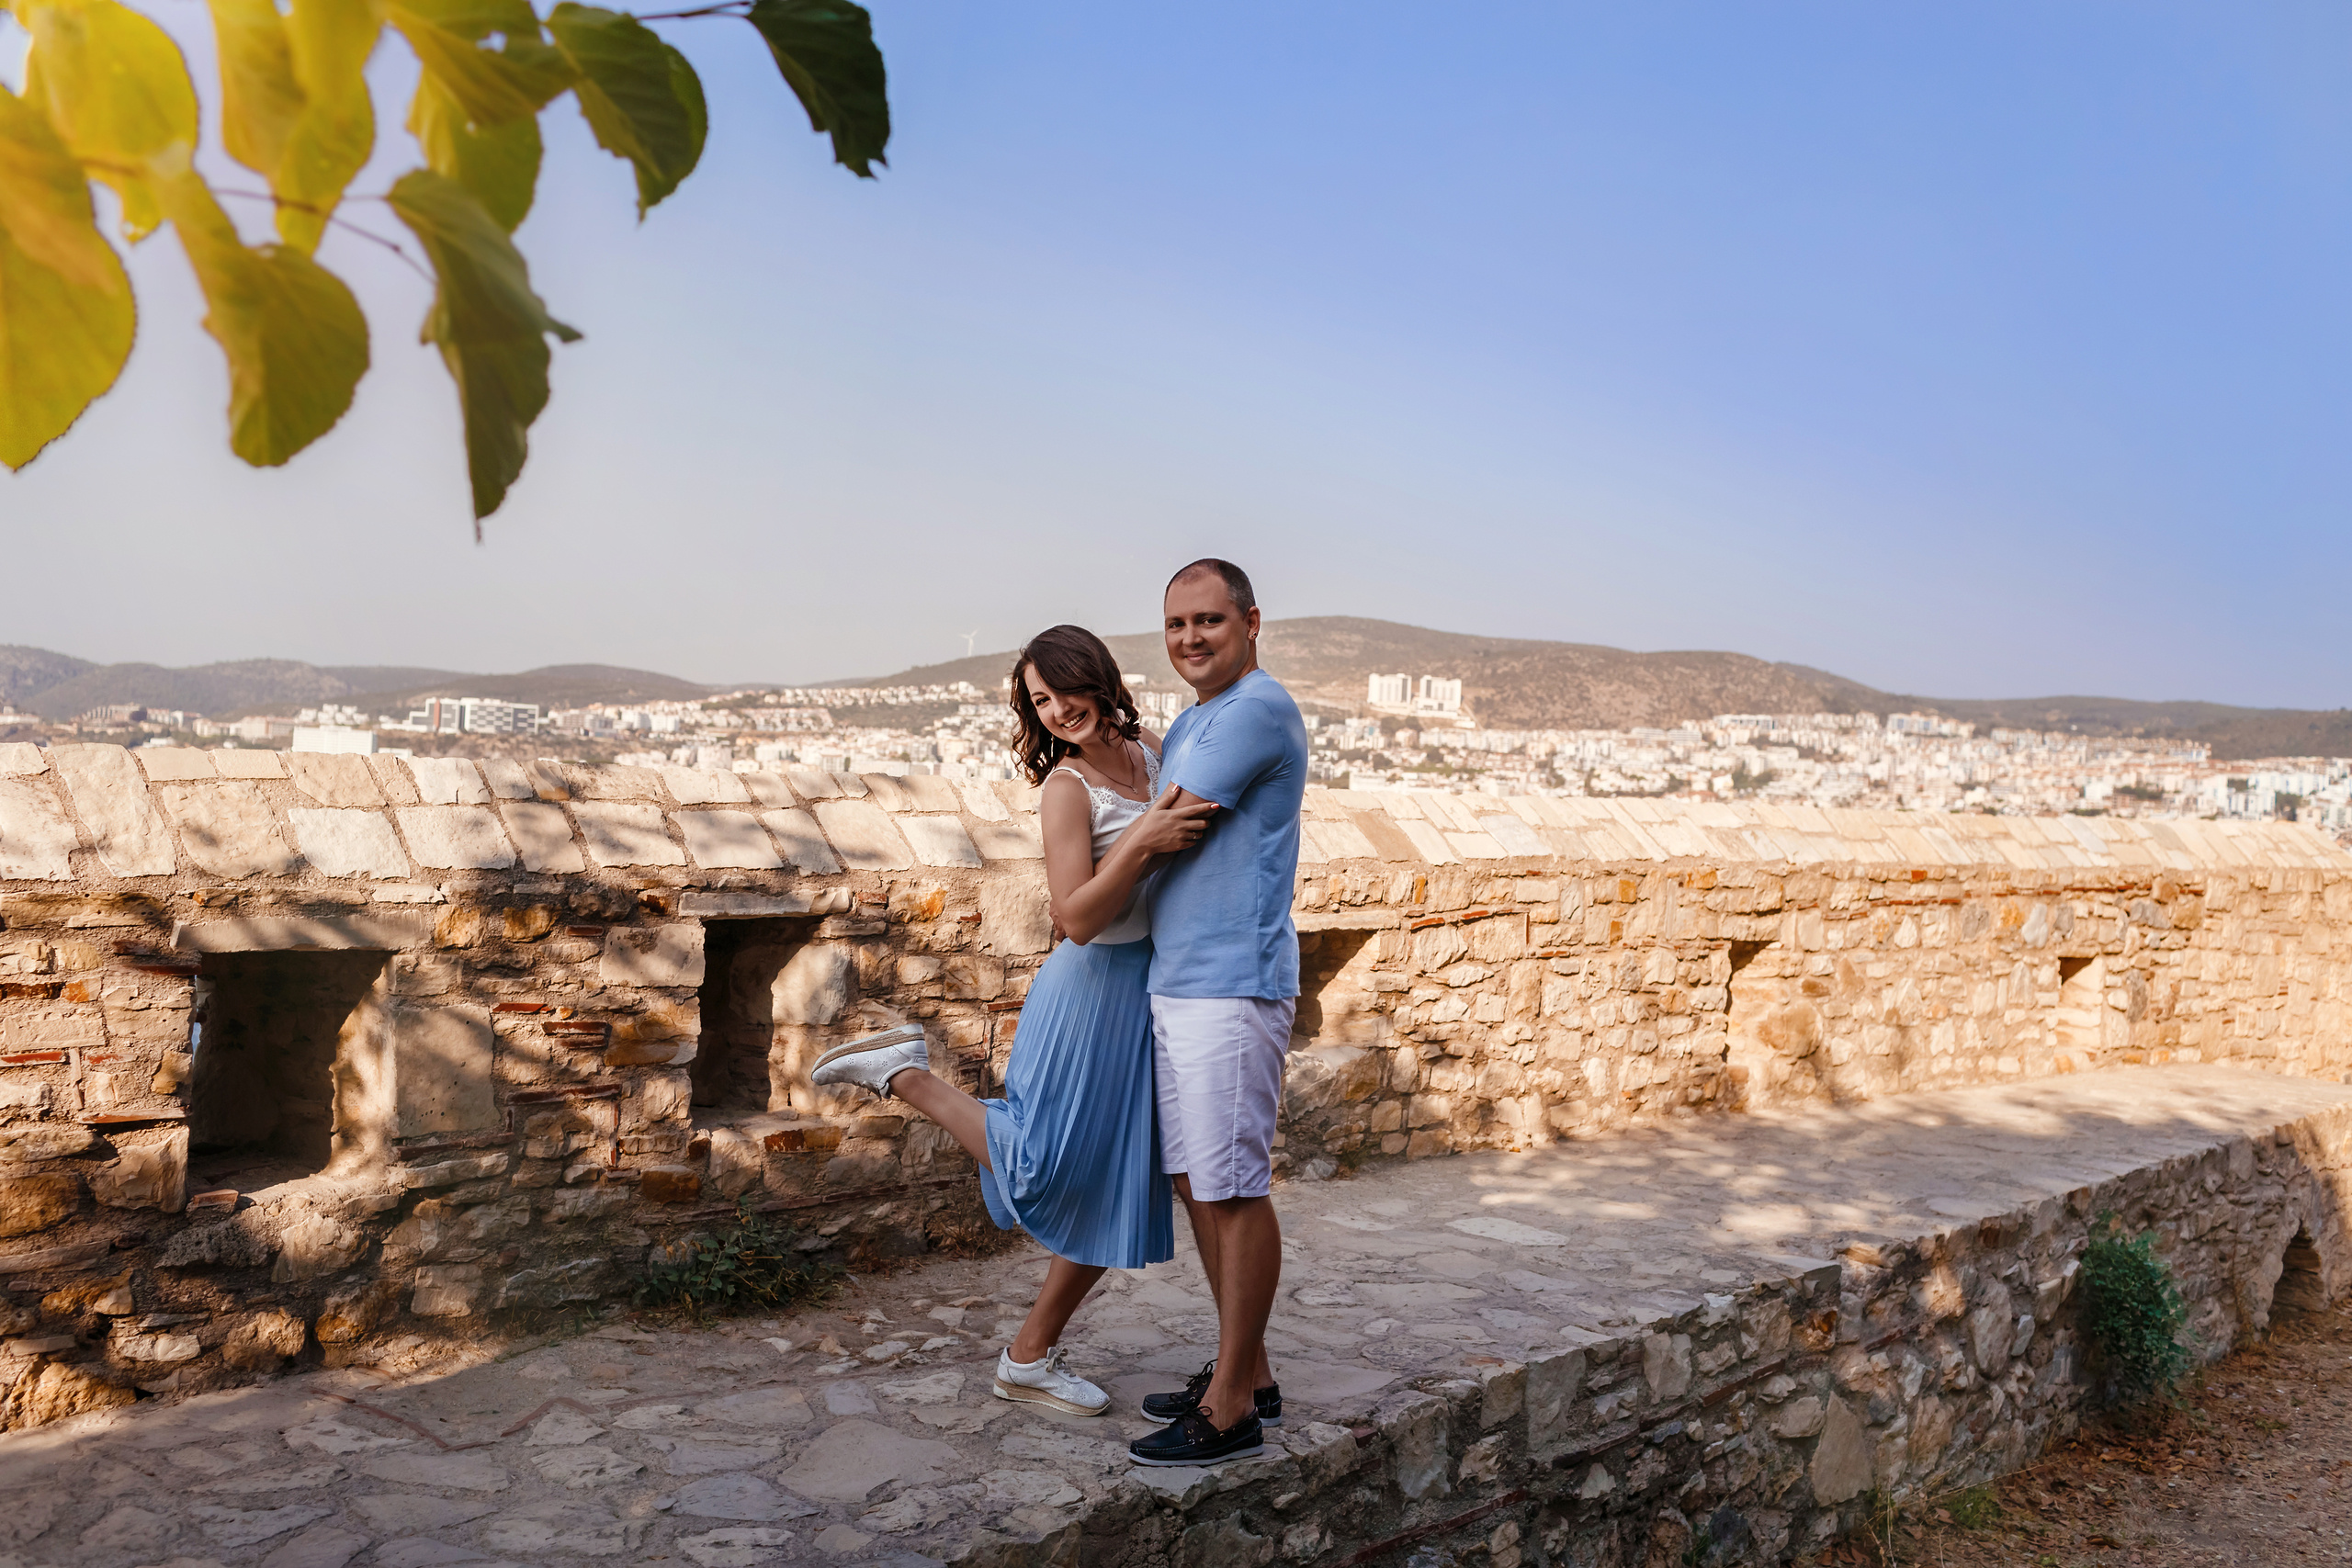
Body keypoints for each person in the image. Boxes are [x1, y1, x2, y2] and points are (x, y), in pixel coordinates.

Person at [808, 625, 1214, 1418]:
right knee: (1041, 1162)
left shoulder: (1156, 750)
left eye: (1066, 689)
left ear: (1099, 678)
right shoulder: (1065, 788)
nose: (1059, 709)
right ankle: (908, 1074)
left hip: (1148, 993)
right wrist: (1143, 842)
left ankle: (1027, 1357)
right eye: (1040, 700)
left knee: (1117, 1187)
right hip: (1091, 989)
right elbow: (1077, 916)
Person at [1127, 558, 1311, 1469]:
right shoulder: (1193, 718)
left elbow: (1168, 824)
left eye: (1208, 621)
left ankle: (1233, 1405)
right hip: (1183, 977)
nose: (1191, 639)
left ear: (1249, 622)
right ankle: (1251, 1372)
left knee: (1233, 1186)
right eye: (1176, 626)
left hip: (1231, 983)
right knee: (1198, 1181)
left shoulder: (1255, 711)